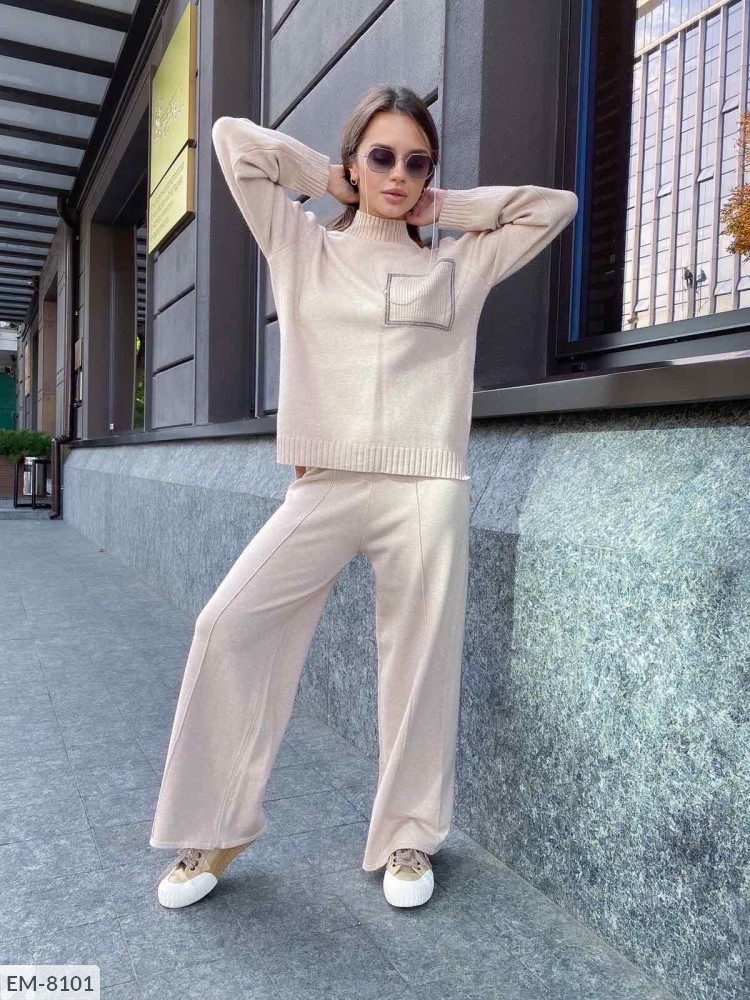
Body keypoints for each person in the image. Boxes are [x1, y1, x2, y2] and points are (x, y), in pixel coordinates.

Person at [150, 84, 578, 910]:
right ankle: (215, 824)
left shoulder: (458, 263)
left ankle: (409, 836)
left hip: (426, 487)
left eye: (417, 163)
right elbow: (234, 141)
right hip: (326, 482)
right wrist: (330, 179)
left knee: (420, 664)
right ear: (354, 159)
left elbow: (551, 208)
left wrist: (444, 207)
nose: (399, 175)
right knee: (226, 625)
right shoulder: (300, 244)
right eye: (382, 157)